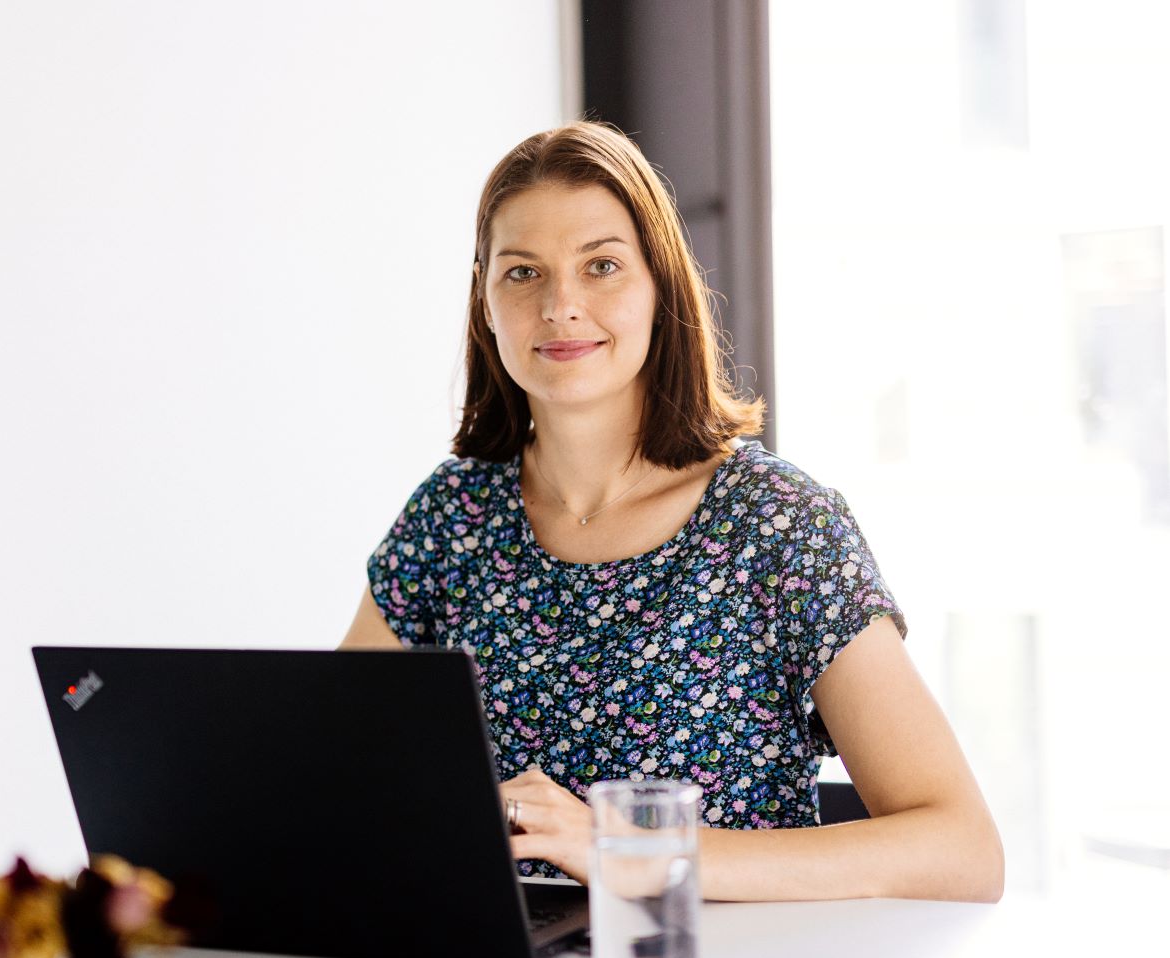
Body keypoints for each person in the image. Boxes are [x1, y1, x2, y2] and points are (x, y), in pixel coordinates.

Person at [341, 121, 1003, 903]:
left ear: (660, 286)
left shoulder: (779, 525)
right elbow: (331, 769)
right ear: (484, 299)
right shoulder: (449, 517)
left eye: (602, 266)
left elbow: (962, 850)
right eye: (522, 273)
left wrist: (621, 847)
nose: (560, 305)